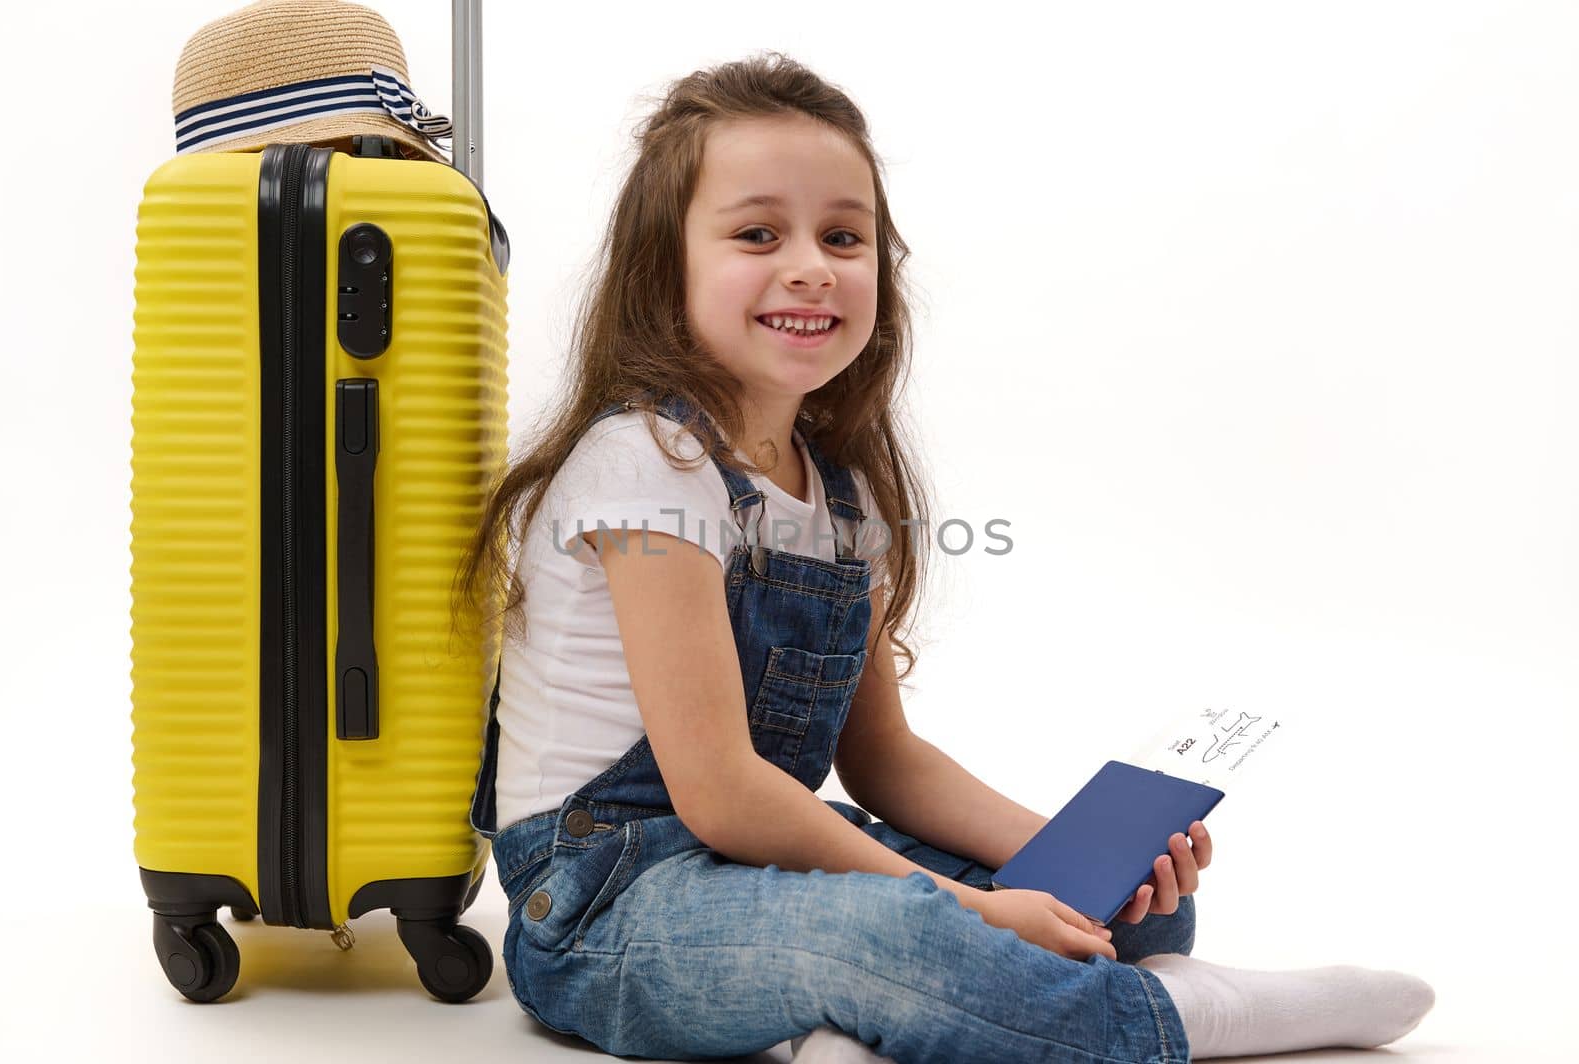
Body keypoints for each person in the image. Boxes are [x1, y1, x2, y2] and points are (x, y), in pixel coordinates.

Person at [454, 52, 1435, 1063]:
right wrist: (975, 906)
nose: (811, 264)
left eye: (843, 236)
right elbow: (719, 790)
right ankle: (1200, 1018)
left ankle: (838, 1025)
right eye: (758, 234)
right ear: (668, 270)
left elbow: (885, 759)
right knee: (920, 935)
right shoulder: (642, 461)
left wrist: (1059, 854)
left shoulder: (837, 488)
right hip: (604, 900)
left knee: (1136, 916)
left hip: (754, 858)